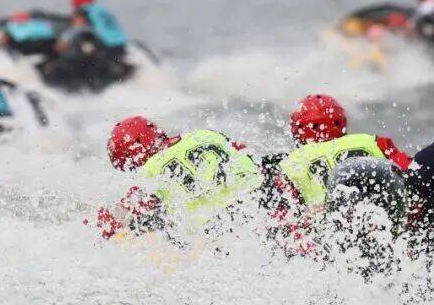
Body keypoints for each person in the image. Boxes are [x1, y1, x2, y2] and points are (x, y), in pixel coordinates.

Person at [96, 116, 262, 238]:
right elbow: (247, 155)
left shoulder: (149, 172)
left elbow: (121, 215)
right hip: (260, 196)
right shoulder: (205, 134)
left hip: (223, 226)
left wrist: (103, 221)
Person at [275, 94, 413, 210]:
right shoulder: (375, 142)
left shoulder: (290, 164)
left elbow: (282, 213)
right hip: (384, 211)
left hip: (330, 223)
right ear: (342, 120)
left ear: (299, 128)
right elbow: (410, 169)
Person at [59, 0, 128, 54]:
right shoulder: (103, 10)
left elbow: (76, 29)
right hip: (121, 45)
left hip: (107, 47)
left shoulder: (83, 11)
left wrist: (63, 41)